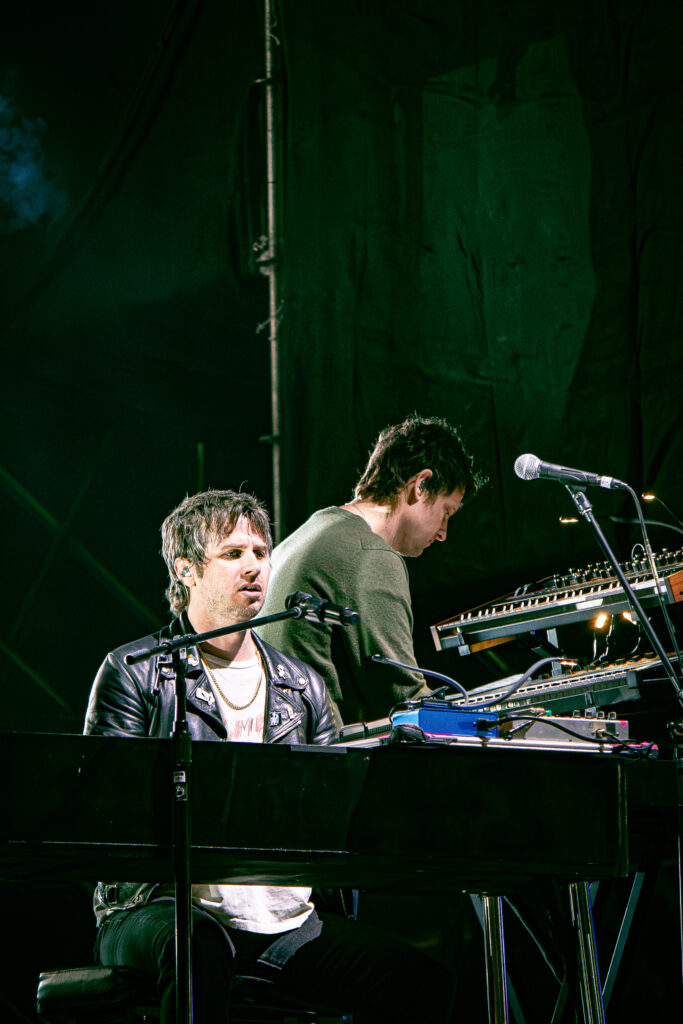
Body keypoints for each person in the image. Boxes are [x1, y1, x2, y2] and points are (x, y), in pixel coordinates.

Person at [84, 488, 454, 1024]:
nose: (254, 566)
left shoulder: (301, 686)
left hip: (285, 923)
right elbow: (104, 823)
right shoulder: (137, 672)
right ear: (185, 570)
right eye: (233, 553)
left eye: (261, 551)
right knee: (200, 950)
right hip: (157, 910)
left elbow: (330, 817)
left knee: (419, 982)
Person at [259, 414, 484, 727]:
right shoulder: (370, 554)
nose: (444, 532)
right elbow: (404, 700)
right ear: (421, 485)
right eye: (446, 512)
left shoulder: (309, 533)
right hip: (324, 750)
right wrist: (492, 720)